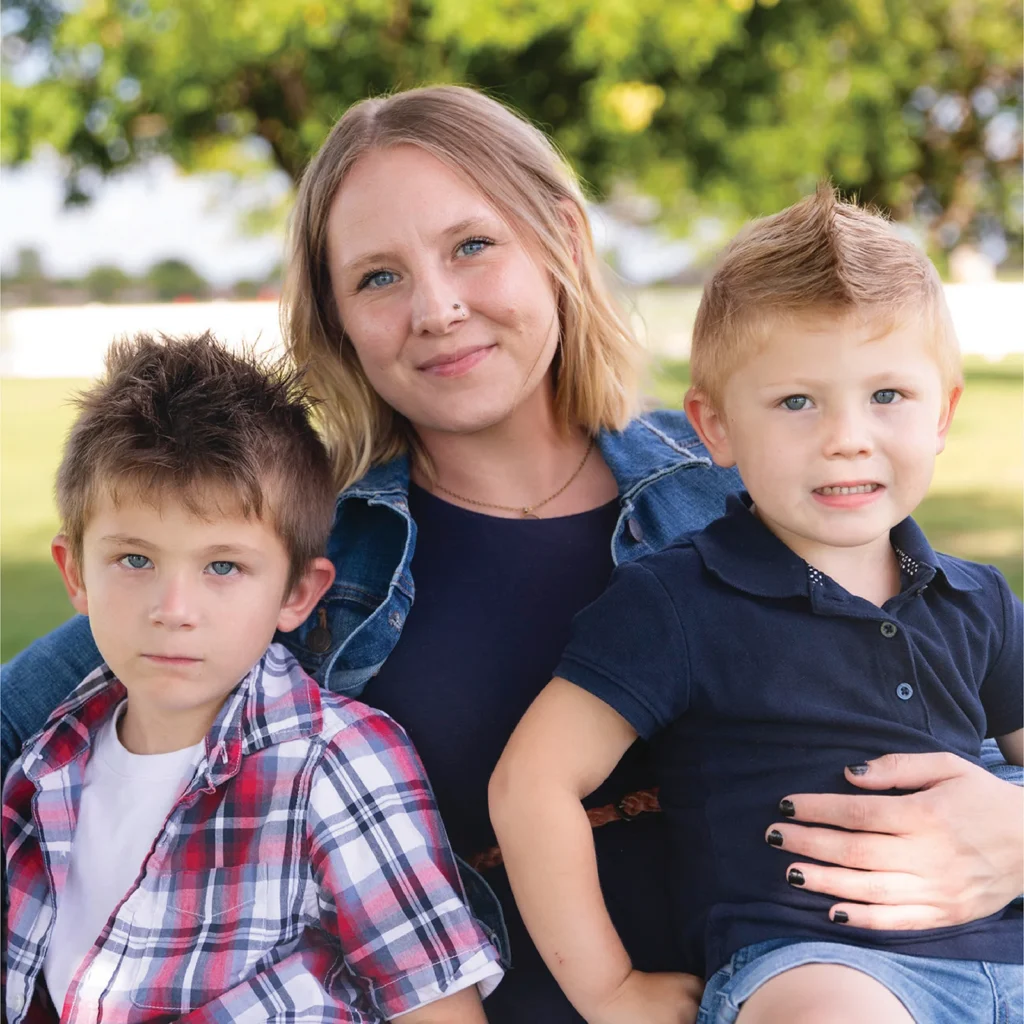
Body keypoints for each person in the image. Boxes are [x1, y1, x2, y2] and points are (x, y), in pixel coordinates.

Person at [1, 87, 1021, 1020]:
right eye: (379, 276)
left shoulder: (746, 478)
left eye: (472, 245)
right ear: (340, 319)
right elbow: (51, 697)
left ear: (560, 240)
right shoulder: (305, 551)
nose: (437, 308)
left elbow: (938, 677)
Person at [489, 187, 1023, 1024]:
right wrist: (609, 988)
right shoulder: (679, 599)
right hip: (816, 963)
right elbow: (532, 783)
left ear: (944, 412)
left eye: (887, 396)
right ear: (716, 428)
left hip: (1004, 941)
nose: (848, 435)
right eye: (797, 402)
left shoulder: (978, 598)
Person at [2, 333, 502, 1024]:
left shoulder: (334, 764)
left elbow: (438, 1011)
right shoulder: (47, 766)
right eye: (135, 560)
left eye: (223, 567)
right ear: (75, 573)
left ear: (298, 592)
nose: (174, 611)